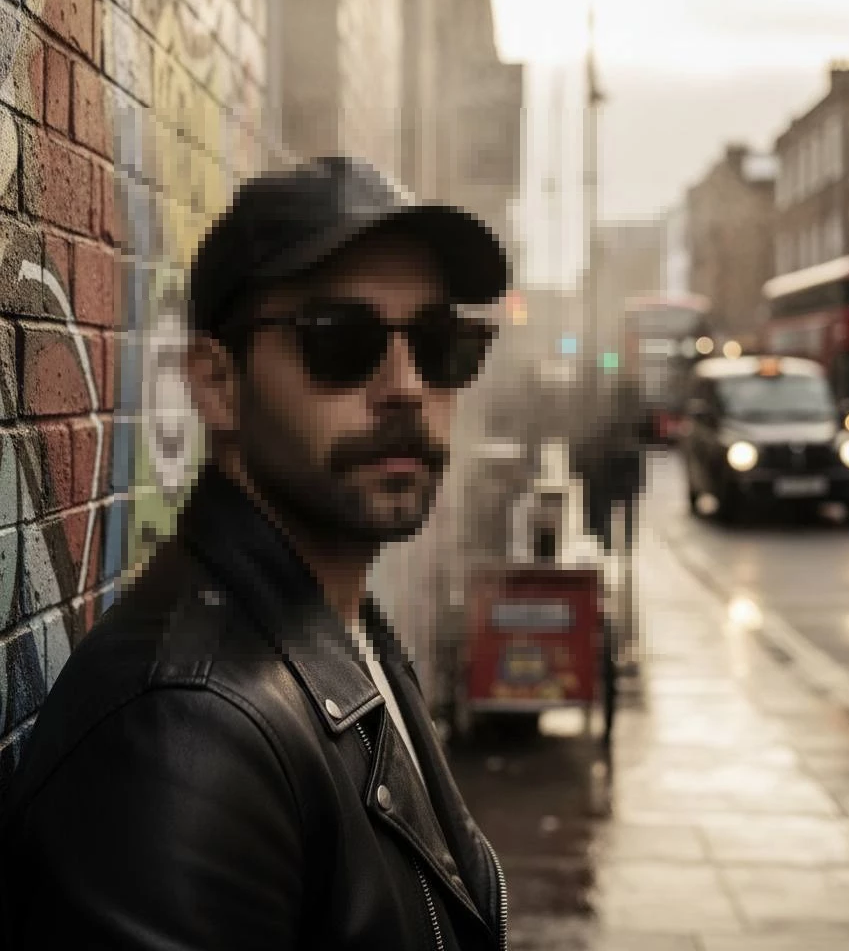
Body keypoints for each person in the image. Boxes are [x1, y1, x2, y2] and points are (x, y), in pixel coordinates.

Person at [0, 157, 510, 950]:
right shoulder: (188, 739)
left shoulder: (344, 627)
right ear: (217, 383)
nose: (408, 386)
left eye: (441, 343)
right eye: (341, 341)